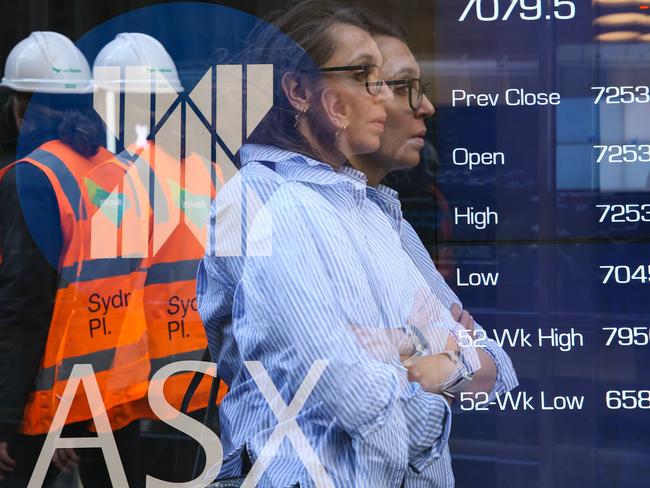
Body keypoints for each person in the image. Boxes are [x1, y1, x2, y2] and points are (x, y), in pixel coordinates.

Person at [198, 1, 496, 486]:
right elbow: (346, 390)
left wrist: (402, 350)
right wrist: (435, 383)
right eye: (364, 76)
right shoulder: (265, 201)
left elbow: (490, 364)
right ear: (298, 91)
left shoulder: (370, 209)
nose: (382, 98)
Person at [0, 32, 148, 486]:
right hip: (113, 393)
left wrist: (5, 418)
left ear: (18, 107)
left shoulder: (33, 178)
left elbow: (24, 306)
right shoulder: (120, 171)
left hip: (45, 401)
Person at [352, 10, 519, 402]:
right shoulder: (294, 214)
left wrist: (426, 351)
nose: (426, 105)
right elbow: (360, 385)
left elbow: (497, 367)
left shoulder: (386, 216)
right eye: (402, 85)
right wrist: (446, 344)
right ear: (337, 102)